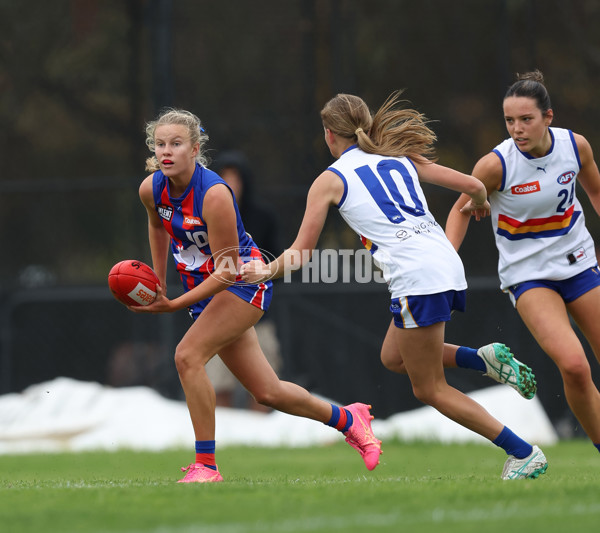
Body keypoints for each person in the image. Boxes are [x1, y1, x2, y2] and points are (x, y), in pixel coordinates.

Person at [242, 91, 547, 480]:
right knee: (394, 357)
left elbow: (300, 255)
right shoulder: (398, 157)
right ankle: (482, 360)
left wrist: (265, 272)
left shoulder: (330, 180)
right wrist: (481, 200)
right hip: (446, 266)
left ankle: (522, 452)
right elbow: (471, 182)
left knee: (430, 389)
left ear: (330, 135)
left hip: (416, 276)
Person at [128, 108, 382, 483]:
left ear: (195, 149)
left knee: (186, 356)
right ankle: (349, 418)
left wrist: (173, 304)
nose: (167, 151)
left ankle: (206, 465)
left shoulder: (213, 194)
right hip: (205, 290)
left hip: (241, 284)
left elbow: (227, 271)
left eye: (177, 144)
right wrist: (159, 280)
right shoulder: (151, 188)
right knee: (269, 392)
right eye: (160, 144)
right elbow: (157, 226)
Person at [446, 70, 600, 455]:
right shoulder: (496, 165)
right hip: (529, 278)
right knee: (575, 367)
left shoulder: (574, 146)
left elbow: (595, 189)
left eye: (526, 119)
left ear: (548, 117)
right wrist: (447, 265)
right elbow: (461, 211)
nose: (517, 129)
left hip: (580, 264)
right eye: (509, 121)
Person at [205, 151, 283, 411]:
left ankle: (260, 441)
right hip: (218, 313)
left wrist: (259, 274)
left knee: (265, 389)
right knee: (217, 382)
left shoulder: (263, 216)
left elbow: (280, 261)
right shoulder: (203, 215)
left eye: (236, 178)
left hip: (256, 314)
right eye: (225, 178)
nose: (231, 184)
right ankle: (227, 441)